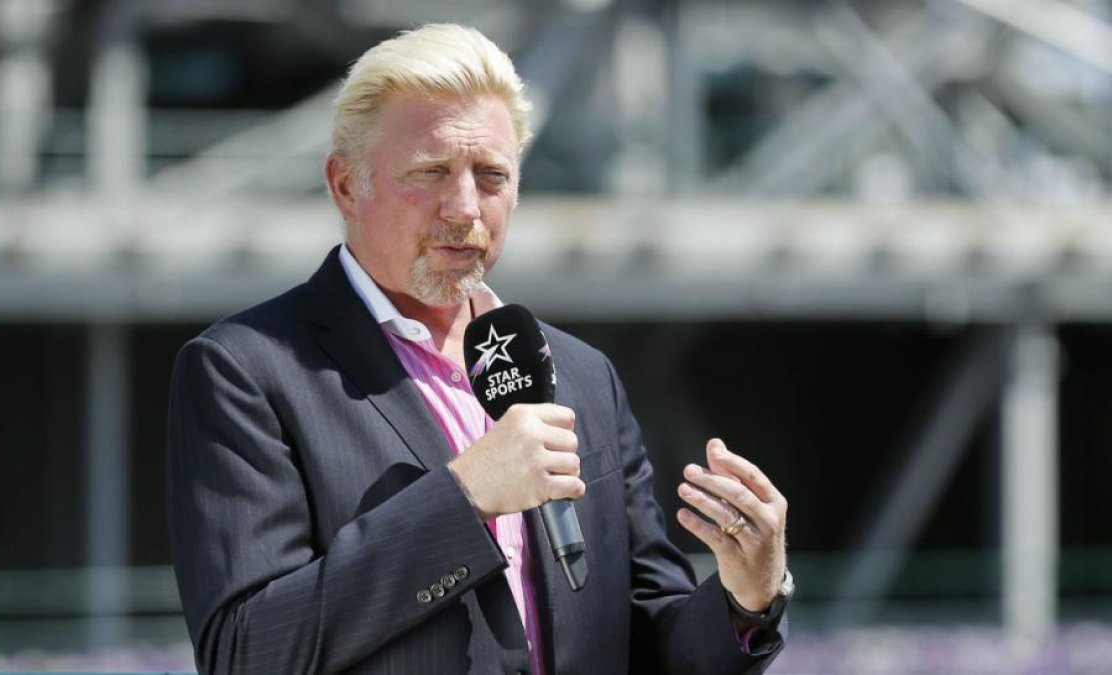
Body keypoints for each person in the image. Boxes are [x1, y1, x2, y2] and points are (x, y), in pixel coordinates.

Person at [166, 23, 790, 675]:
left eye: (491, 175)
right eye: (431, 172)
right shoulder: (244, 370)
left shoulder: (581, 374)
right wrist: (464, 497)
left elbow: (650, 642)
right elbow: (246, 651)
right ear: (346, 184)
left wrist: (747, 597)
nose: (465, 206)